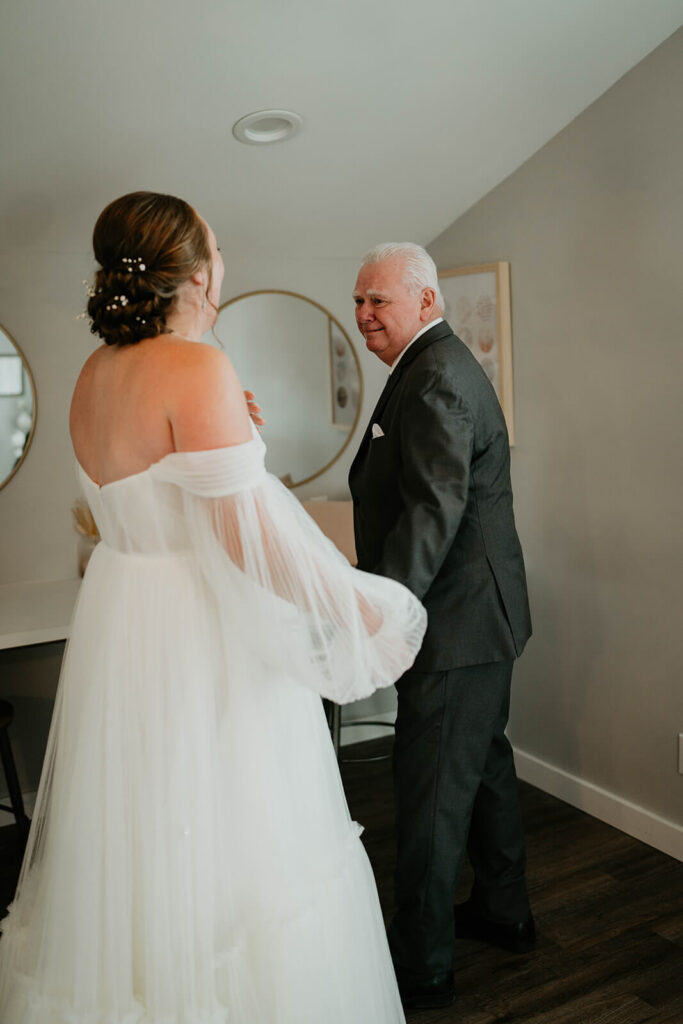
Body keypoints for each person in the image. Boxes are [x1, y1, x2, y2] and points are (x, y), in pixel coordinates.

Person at [0, 194, 427, 1024]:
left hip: (124, 620)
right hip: (197, 627)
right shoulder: (196, 369)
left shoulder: (94, 374)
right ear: (195, 271)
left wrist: (234, 433)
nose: (224, 262)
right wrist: (356, 602)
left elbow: (150, 495)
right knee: (239, 839)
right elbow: (249, 541)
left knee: (145, 837)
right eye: (219, 247)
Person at [348, 242, 534, 1010]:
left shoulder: (436, 380)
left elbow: (432, 512)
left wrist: (381, 616)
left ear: (425, 303)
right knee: (481, 767)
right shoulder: (432, 367)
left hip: (455, 625)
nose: (363, 315)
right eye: (357, 301)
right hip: (482, 616)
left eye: (377, 301)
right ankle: (502, 912)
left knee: (429, 792)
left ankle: (420, 964)